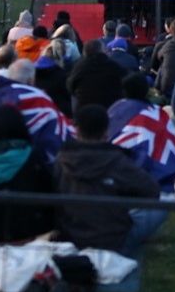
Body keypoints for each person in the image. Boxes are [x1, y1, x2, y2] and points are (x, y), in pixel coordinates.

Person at [55, 105, 163, 257]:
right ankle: (130, 260)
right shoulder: (116, 160)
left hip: (72, 236)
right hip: (113, 240)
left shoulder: (61, 159)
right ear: (106, 131)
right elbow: (152, 190)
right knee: (164, 204)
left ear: (76, 130)